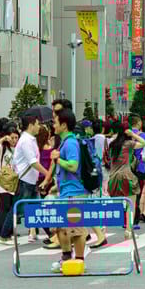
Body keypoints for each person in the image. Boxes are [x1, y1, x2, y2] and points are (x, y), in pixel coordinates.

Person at [42, 109, 91, 274]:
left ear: (63, 125)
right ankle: (68, 258)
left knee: (73, 229)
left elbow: (73, 165)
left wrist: (57, 159)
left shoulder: (70, 143)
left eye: (55, 122)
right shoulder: (64, 142)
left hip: (74, 193)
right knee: (63, 228)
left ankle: (76, 260)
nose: (53, 125)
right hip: (67, 191)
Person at [105, 125, 145, 239]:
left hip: (113, 178)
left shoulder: (112, 145)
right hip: (126, 176)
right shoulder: (128, 144)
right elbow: (144, 143)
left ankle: (102, 229)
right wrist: (133, 135)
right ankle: (128, 231)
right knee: (131, 205)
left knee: (115, 205)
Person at [0, 125, 20, 244]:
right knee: (5, 206)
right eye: (12, 138)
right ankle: (1, 231)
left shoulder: (18, 148)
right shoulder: (3, 147)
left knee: (9, 205)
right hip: (3, 180)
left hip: (13, 179)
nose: (14, 140)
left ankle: (6, 230)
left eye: (16, 137)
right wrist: (3, 139)